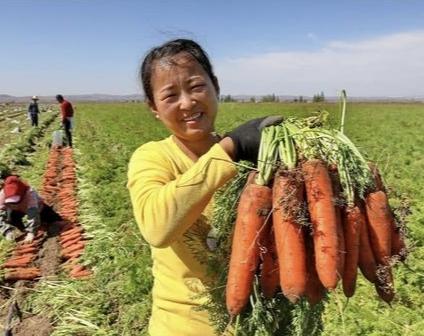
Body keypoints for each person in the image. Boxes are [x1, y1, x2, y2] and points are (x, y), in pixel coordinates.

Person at [127, 38, 282, 336]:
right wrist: (229, 149)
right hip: (184, 325)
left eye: (196, 86)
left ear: (216, 86)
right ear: (154, 107)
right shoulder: (153, 157)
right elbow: (156, 227)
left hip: (255, 323)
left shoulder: (251, 163)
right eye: (170, 95)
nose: (187, 103)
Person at [0, 175, 61, 243]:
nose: (15, 203)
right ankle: (23, 230)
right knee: (11, 217)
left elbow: (33, 214)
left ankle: (41, 224)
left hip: (36, 208)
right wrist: (6, 231)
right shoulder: (3, 194)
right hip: (16, 211)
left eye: (16, 200)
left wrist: (31, 233)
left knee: (53, 219)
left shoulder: (30, 193)